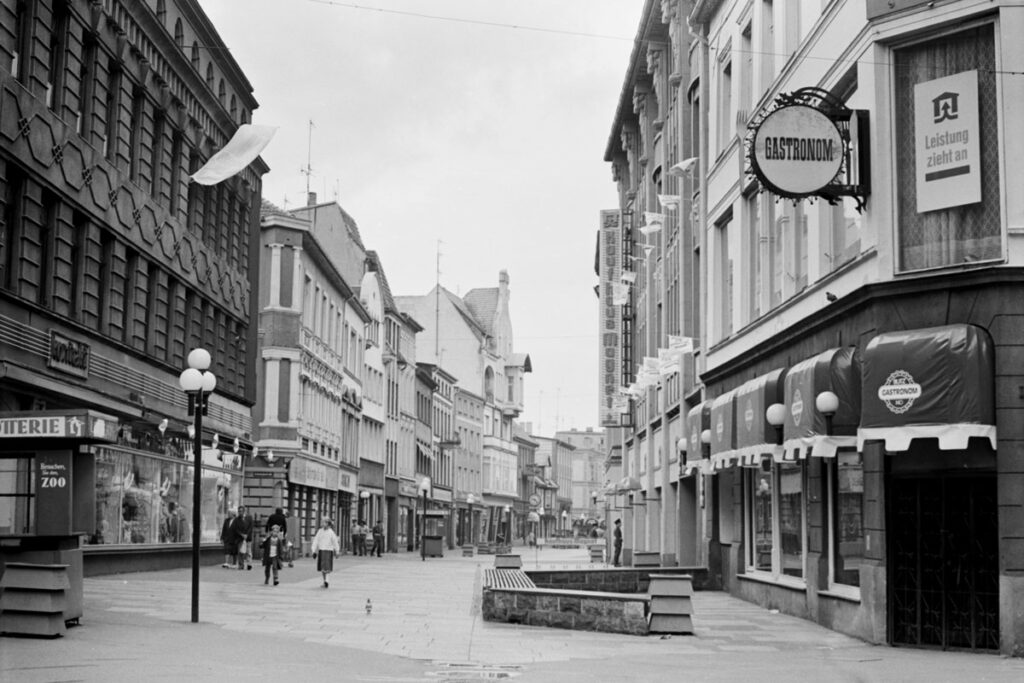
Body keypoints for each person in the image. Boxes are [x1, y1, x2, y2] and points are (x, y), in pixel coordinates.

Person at [311, 518, 340, 588]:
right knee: (322, 568)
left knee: (326, 567)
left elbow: (335, 542)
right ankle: (325, 581)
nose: (322, 524)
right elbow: (316, 540)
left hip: (328, 551)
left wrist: (337, 551)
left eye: (324, 522)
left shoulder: (331, 532)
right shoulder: (320, 531)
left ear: (328, 524)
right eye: (322, 522)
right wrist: (313, 550)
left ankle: (327, 580)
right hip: (321, 550)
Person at [229, 505, 254, 570]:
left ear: (244, 511)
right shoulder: (237, 519)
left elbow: (250, 527)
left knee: (248, 551)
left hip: (248, 538)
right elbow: (235, 528)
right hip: (240, 538)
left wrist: (247, 535)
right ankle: (241, 565)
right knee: (240, 552)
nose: (240, 512)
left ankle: (249, 564)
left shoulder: (249, 517)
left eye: (241, 511)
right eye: (239, 511)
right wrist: (241, 534)